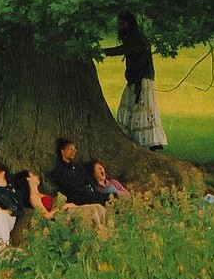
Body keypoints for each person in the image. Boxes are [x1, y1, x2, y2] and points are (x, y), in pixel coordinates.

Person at [104, 13, 167, 149]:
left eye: (123, 24)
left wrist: (103, 52)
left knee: (144, 108)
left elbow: (125, 50)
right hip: (135, 78)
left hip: (142, 78)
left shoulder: (137, 38)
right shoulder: (133, 37)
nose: (121, 27)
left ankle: (152, 142)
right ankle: (140, 140)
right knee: (134, 107)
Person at [53, 138, 103, 207]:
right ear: (62, 151)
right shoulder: (60, 170)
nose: (73, 152)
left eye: (74, 149)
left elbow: (88, 179)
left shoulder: (78, 167)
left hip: (89, 195)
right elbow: (70, 187)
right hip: (77, 199)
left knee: (112, 196)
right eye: (70, 149)